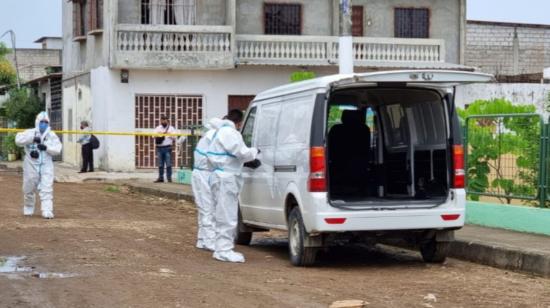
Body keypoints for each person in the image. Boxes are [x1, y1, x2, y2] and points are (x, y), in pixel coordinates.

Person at [207, 109, 259, 263]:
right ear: (239, 122)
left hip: (219, 175)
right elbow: (241, 152)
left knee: (221, 213)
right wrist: (255, 152)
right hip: (226, 178)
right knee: (227, 214)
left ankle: (220, 248)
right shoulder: (230, 133)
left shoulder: (219, 132)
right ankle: (224, 250)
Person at [15, 112, 62, 219]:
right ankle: (28, 207)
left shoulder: (51, 135)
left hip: (46, 164)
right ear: (37, 122)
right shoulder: (29, 132)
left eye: (46, 122)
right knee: (28, 187)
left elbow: (58, 149)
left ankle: (47, 210)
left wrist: (46, 148)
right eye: (42, 122)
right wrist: (31, 139)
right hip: (31, 164)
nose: (44, 124)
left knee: (47, 186)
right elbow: (18, 140)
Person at [191, 117, 223, 251]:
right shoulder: (211, 138)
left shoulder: (204, 139)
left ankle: (202, 239)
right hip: (205, 175)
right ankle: (209, 242)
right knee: (208, 208)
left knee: (203, 208)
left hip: (200, 174)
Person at [154, 115, 176, 183]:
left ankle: (169, 178)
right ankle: (161, 178)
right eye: (162, 120)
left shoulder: (171, 128)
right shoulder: (158, 128)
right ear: (161, 121)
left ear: (167, 121)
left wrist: (168, 134)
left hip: (167, 148)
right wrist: (161, 134)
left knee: (168, 164)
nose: (163, 121)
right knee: (160, 164)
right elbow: (153, 135)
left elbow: (175, 137)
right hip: (159, 148)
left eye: (165, 120)